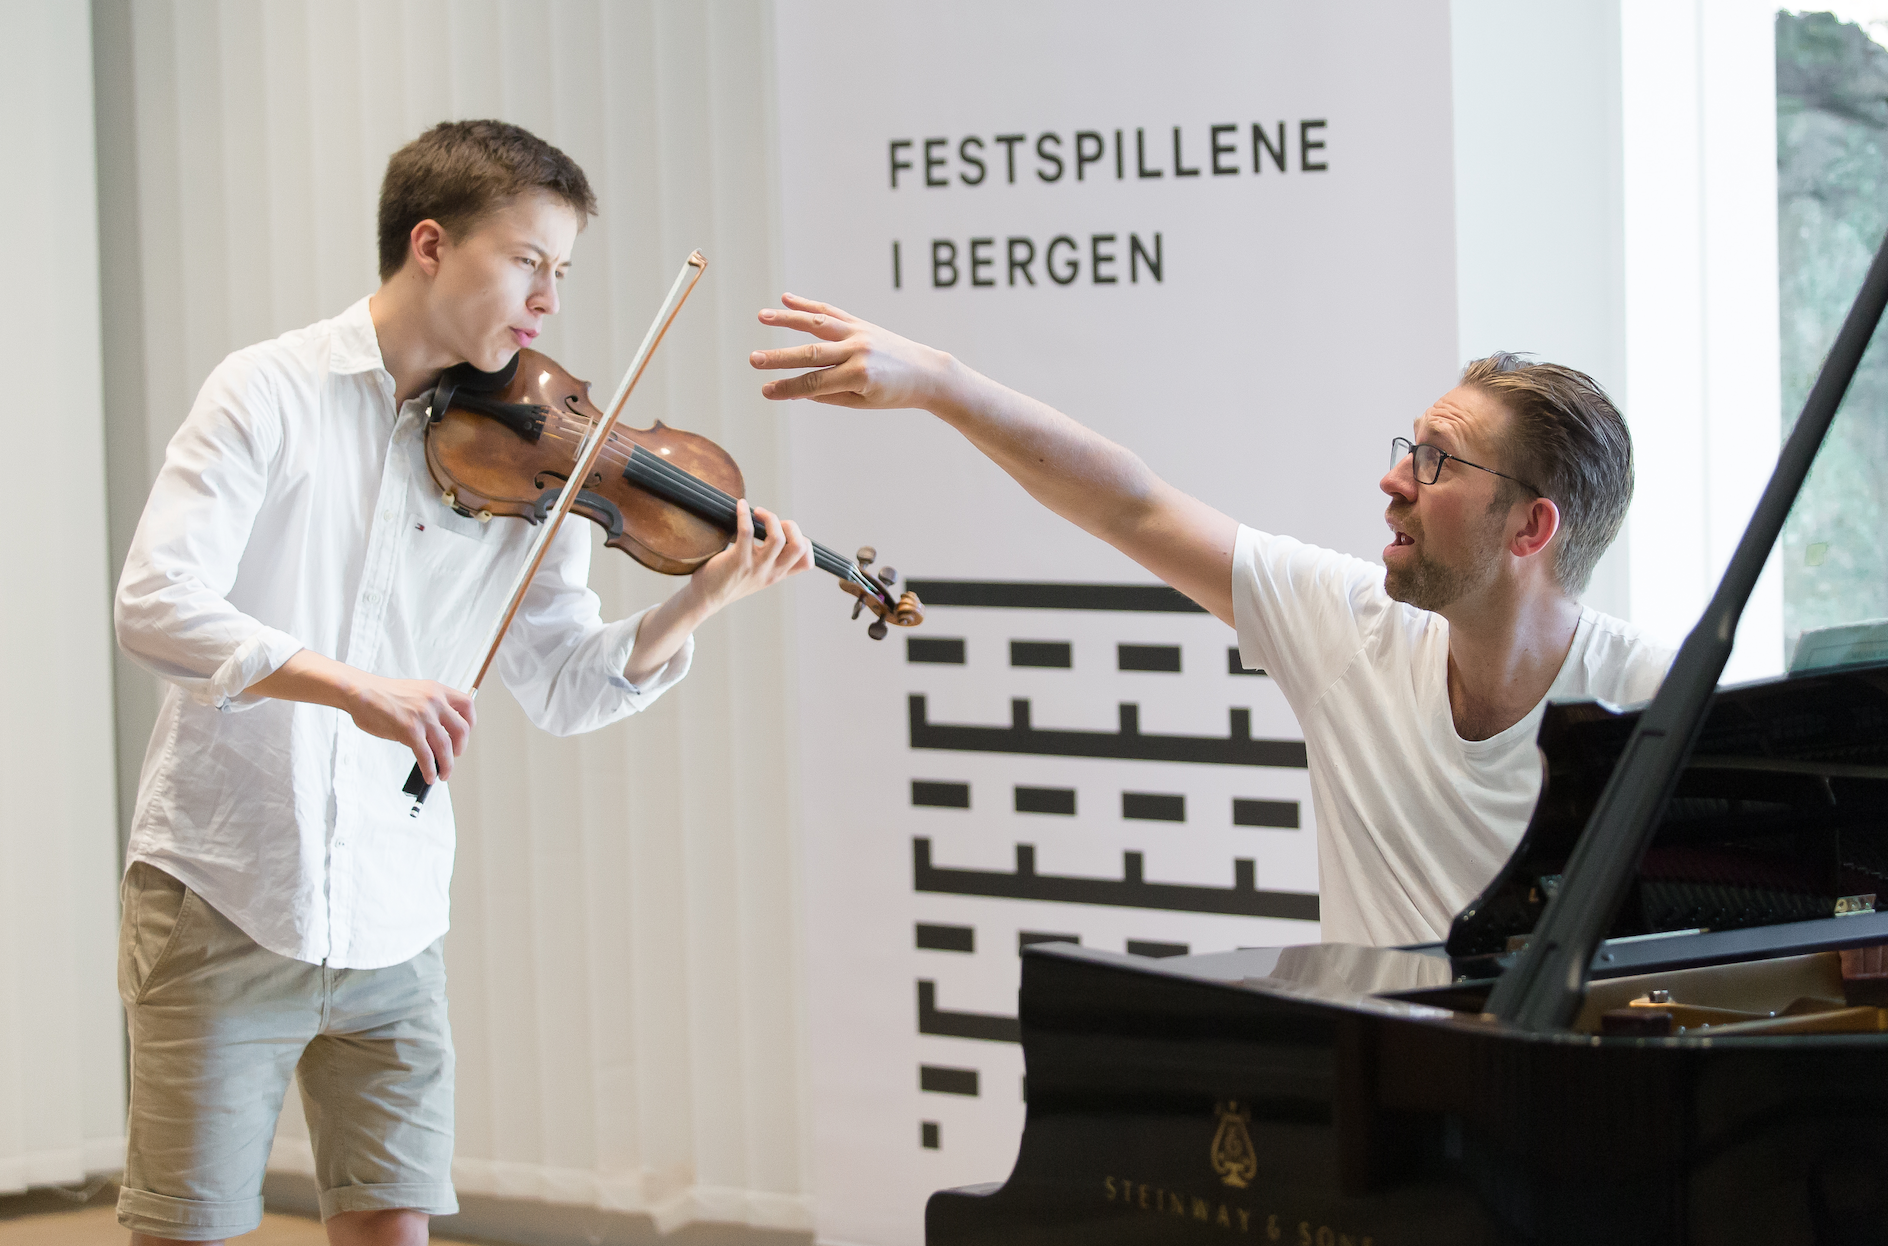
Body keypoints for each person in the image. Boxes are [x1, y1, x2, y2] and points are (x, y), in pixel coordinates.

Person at [112, 121, 810, 1246]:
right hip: (225, 889)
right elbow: (154, 603)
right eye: (529, 262)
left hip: (393, 913)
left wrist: (699, 599)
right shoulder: (267, 392)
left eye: (562, 272)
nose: (548, 301)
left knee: (393, 1231)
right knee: (185, 1231)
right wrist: (357, 689)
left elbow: (568, 685)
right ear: (430, 244)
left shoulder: (541, 461)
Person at [747, 294, 1672, 948]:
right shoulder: (1351, 627)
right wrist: (940, 383)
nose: (1394, 481)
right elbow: (1132, 505)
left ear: (1530, 528)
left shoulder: (1661, 704)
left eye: (1437, 462)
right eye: (1408, 450)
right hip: (1382, 1108)